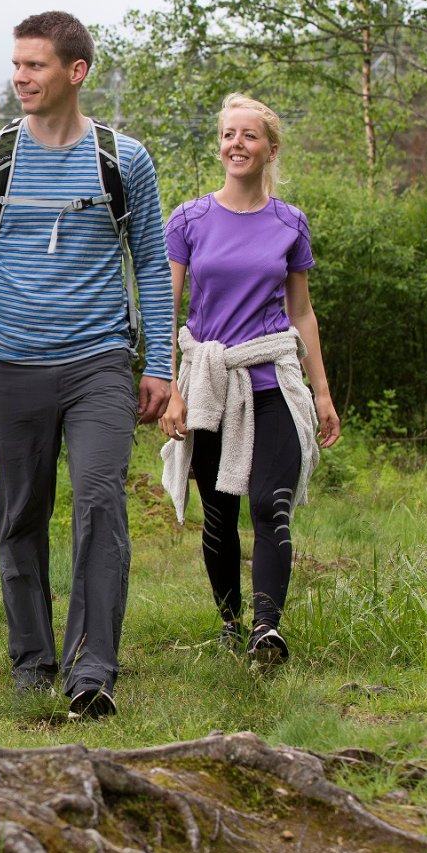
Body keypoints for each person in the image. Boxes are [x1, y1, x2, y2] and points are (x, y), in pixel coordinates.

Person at [0, 11, 174, 719]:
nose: (19, 78)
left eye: (33, 66)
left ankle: (92, 673)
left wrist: (157, 361)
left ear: (75, 73)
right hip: (12, 365)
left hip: (99, 359)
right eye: (15, 65)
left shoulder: (123, 160)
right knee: (20, 518)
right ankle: (31, 665)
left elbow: (152, 266)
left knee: (99, 505)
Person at [158, 93, 341, 668]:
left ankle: (267, 630)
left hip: (273, 381)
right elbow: (168, 306)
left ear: (270, 149)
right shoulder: (189, 219)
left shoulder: (290, 223)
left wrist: (323, 392)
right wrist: (171, 386)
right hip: (210, 381)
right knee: (219, 513)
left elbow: (303, 312)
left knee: (270, 504)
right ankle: (230, 624)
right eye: (228, 134)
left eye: (249, 136)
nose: (236, 144)